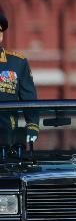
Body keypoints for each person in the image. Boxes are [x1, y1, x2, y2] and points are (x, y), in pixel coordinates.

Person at [0, 12, 39, 145]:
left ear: (0, 35)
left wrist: (32, 125)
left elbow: (29, 99)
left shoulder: (17, 63)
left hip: (7, 136)